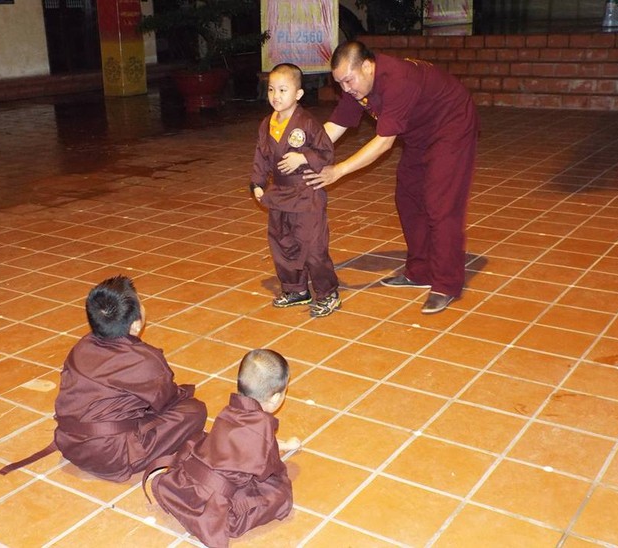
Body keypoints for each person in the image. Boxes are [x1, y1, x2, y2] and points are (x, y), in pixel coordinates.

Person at [304, 41, 479, 314]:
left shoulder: (398, 81)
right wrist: (304, 154)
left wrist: (338, 170)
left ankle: (446, 283)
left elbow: (384, 143)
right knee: (408, 196)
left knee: (440, 204)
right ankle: (420, 271)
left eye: (348, 81)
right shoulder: (356, 85)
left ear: (367, 66)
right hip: (420, 133)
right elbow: (335, 126)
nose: (346, 89)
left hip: (451, 125)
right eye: (340, 84)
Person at [0, 275, 207, 482]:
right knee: (194, 410)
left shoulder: (81, 347)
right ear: (135, 325)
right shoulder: (144, 360)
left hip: (71, 443)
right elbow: (167, 401)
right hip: (112, 456)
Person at [148, 348, 300, 548]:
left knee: (203, 439)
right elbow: (268, 470)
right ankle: (213, 519)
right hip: (213, 505)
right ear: (275, 398)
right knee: (280, 495)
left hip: (186, 484)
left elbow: (248, 446)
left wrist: (281, 445)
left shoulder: (229, 410)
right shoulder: (262, 426)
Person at [250, 62, 341, 318]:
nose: (276, 96)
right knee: (283, 244)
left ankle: (328, 293)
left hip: (306, 193)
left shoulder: (307, 122)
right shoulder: (267, 124)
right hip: (280, 193)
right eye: (271, 90)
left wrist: (303, 158)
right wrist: (257, 182)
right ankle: (296, 290)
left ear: (298, 94)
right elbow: (261, 155)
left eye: (282, 90)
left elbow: (326, 151)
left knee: (313, 246)